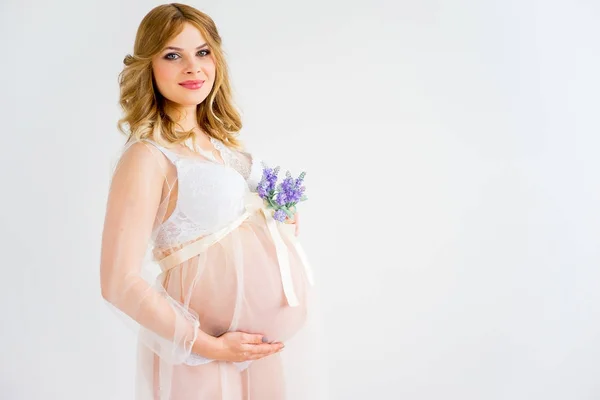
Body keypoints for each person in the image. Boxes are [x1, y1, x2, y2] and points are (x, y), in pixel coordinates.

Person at [99, 3, 326, 399]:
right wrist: (209, 346)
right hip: (200, 353)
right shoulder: (147, 156)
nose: (193, 67)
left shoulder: (223, 148)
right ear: (148, 66)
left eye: (203, 52)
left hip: (260, 352)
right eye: (173, 55)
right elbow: (119, 282)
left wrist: (281, 219)